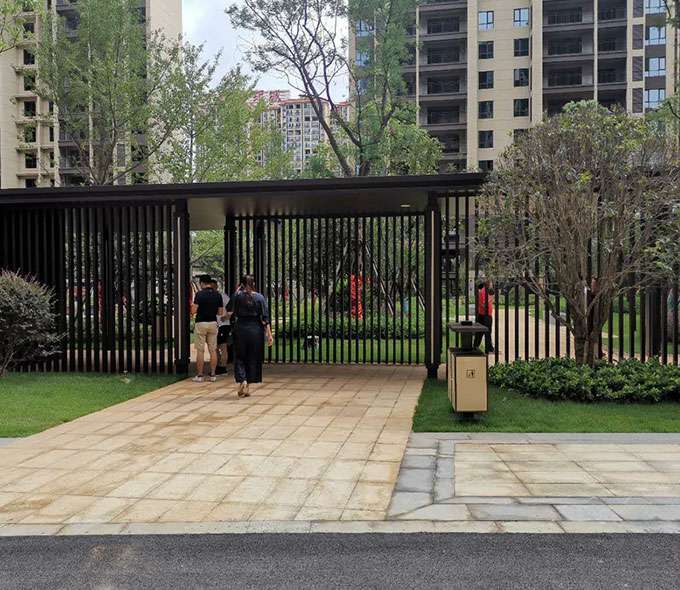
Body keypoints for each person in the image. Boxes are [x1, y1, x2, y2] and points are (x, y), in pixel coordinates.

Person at [227, 274, 273, 397]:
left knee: (239, 357)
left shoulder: (237, 296)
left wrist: (237, 292)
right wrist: (269, 335)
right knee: (253, 358)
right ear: (254, 284)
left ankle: (243, 380)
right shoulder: (259, 297)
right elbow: (265, 318)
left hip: (240, 328)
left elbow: (229, 310)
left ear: (241, 284)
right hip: (256, 330)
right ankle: (247, 387)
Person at [191, 275, 224, 383]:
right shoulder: (218, 295)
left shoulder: (199, 294)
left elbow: (193, 310)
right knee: (213, 350)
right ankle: (213, 375)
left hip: (201, 323)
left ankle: (200, 376)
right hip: (213, 323)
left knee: (200, 350)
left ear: (202, 283)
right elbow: (220, 312)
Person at [211, 280, 232, 375]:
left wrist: (226, 317)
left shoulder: (223, 296)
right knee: (214, 347)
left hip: (223, 325)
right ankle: (218, 366)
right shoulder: (211, 297)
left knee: (223, 346)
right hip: (214, 325)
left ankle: (223, 368)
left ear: (216, 286)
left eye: (213, 287)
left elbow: (232, 307)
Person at [474, 279, 495, 353]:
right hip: (485, 315)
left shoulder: (486, 291)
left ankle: (487, 347)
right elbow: (484, 304)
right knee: (485, 332)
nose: (492, 285)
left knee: (482, 332)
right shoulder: (483, 291)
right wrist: (491, 298)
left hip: (485, 314)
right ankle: (487, 348)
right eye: (491, 283)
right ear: (488, 284)